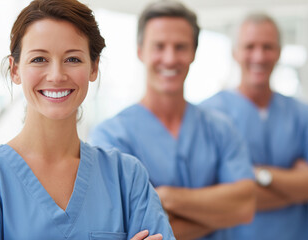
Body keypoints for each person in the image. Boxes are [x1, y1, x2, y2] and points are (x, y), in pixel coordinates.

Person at [0, 0, 175, 239]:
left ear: (93, 67)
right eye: (39, 59)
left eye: (73, 59)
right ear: (15, 70)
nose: (57, 75)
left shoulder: (127, 178)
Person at [89, 1, 256, 239]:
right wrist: (219, 215)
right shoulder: (111, 135)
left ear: (194, 53)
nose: (169, 58)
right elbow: (131, 227)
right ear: (140, 51)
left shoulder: (221, 128)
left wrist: (164, 197)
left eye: (180, 47)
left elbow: (245, 207)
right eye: (159, 46)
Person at [200, 12, 308, 240]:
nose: (259, 56)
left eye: (268, 47)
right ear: (234, 52)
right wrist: (299, 186)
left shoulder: (303, 114)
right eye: (250, 46)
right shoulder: (208, 115)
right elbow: (209, 195)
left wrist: (258, 175)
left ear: (279, 52)